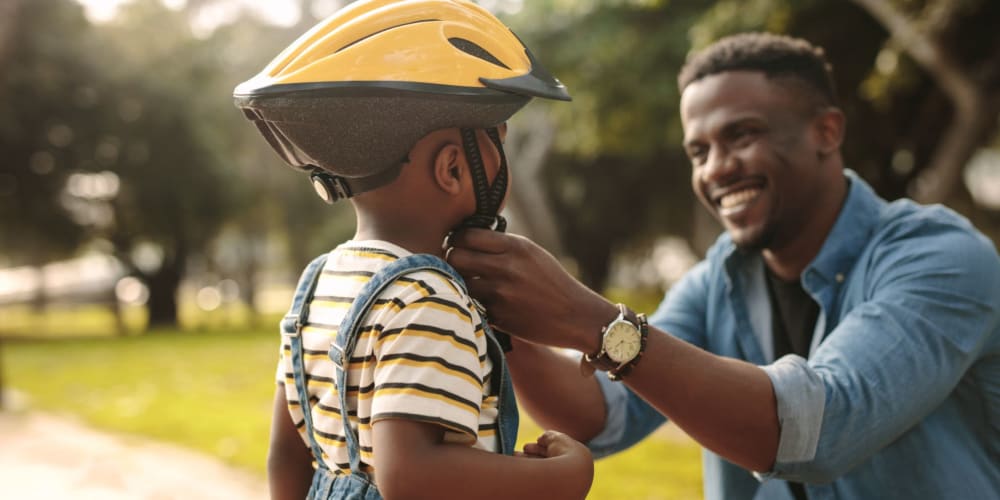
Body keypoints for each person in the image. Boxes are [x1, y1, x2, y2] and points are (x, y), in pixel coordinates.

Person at [445, 32, 1000, 499]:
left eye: (742, 135)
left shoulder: (942, 258)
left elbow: (824, 428)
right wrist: (499, 312)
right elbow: (600, 414)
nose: (717, 169)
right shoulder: (721, 277)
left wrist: (590, 319)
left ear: (826, 132)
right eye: (699, 152)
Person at [233, 1, 593, 499]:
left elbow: (287, 455)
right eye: (499, 142)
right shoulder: (427, 297)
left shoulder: (318, 282)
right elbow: (414, 476)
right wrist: (564, 478)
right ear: (452, 168)